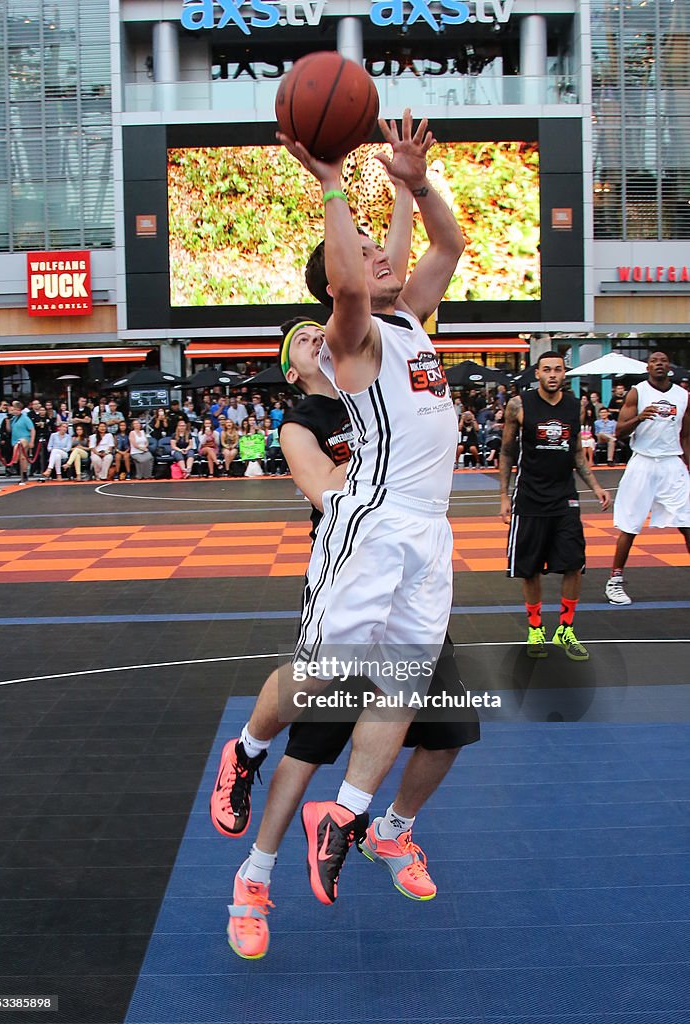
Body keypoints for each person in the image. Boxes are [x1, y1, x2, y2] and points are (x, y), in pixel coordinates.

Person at [218, 312, 477, 964]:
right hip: (354, 579)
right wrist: (389, 467)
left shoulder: (382, 387)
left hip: (409, 580)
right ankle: (252, 880)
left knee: (449, 730)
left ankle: (387, 830)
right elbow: (331, 492)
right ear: (294, 369)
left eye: (321, 333)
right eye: (303, 342)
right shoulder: (303, 425)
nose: (317, 341)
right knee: (305, 753)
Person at [264, 108, 465, 913]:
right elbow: (350, 280)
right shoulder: (355, 338)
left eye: (391, 254)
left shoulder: (411, 318)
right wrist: (334, 184)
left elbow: (445, 247)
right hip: (373, 521)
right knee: (326, 682)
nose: (390, 258)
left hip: (427, 528)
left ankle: (347, 818)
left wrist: (414, 184)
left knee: (404, 685)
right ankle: (249, 748)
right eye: (376, 254)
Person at [500, 351, 611, 661]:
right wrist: (504, 497)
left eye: (558, 370)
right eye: (546, 369)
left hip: (565, 497)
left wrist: (596, 486)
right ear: (537, 373)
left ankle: (565, 628)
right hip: (529, 497)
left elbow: (576, 452)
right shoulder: (519, 404)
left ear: (565, 374)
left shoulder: (575, 405)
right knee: (530, 567)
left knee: (574, 563)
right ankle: (536, 628)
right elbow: (507, 452)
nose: (552, 374)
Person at [605, 350, 690, 605]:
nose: (659, 364)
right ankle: (615, 581)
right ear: (648, 367)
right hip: (642, 461)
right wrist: (640, 417)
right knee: (629, 526)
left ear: (669, 366)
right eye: (654, 361)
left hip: (672, 463)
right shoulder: (637, 392)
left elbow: (686, 435)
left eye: (663, 360)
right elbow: (619, 431)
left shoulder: (683, 396)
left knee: (687, 523)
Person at [6, 400, 36, 485]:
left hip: (25, 438)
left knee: (18, 445)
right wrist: (7, 421)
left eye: (17, 410)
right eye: (14, 409)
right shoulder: (14, 419)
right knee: (22, 458)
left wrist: (32, 442)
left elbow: (32, 429)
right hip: (15, 439)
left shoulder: (25, 418)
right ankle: (24, 474)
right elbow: (9, 430)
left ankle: (13, 464)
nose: (15, 411)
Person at [579, 396, 596, 466]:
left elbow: (593, 431)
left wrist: (589, 436)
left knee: (589, 442)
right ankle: (584, 460)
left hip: (589, 437)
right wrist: (582, 437)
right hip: (581, 437)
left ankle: (590, 460)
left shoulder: (590, 421)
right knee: (583, 443)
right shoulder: (577, 421)